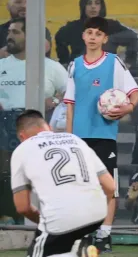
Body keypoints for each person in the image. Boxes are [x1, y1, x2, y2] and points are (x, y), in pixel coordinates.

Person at [63, 16, 138, 253]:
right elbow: (70, 105)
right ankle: (85, 233)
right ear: (83, 36)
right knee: (81, 188)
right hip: (79, 138)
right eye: (89, 33)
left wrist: (129, 106)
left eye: (98, 34)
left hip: (105, 136)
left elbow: (134, 93)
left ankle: (104, 234)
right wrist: (68, 139)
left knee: (108, 187)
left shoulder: (114, 63)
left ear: (105, 38)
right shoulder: (75, 65)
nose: (93, 37)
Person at [10, 109, 116, 257]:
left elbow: (23, 207)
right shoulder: (75, 140)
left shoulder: (22, 149)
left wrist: (43, 219)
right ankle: (78, 251)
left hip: (61, 218)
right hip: (96, 214)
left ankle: (79, 253)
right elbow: (111, 186)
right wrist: (90, 209)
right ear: (49, 128)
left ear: (22, 136)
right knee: (64, 246)